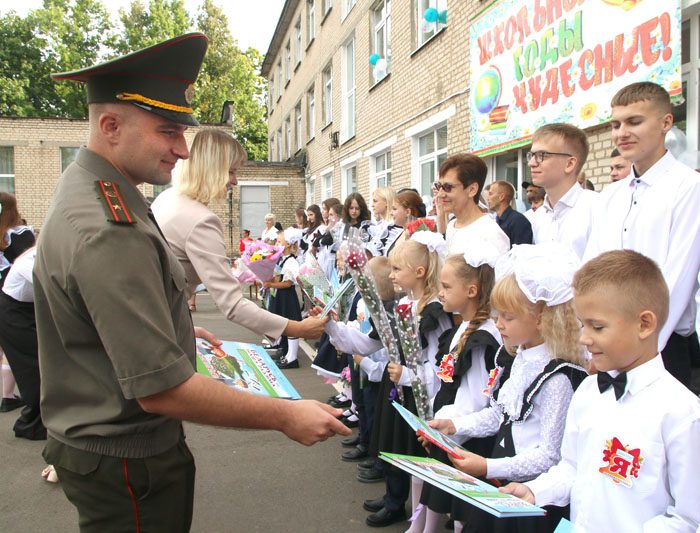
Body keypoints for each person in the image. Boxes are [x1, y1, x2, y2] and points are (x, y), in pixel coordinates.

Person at [34, 34, 350, 532]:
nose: (182, 150)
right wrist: (283, 415)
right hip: (127, 459)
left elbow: (107, 316)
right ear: (110, 126)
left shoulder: (94, 190)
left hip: (102, 446)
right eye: (167, 131)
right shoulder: (107, 227)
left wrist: (176, 327)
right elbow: (161, 391)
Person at [501, 250, 700, 531]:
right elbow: (572, 466)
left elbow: (688, 517)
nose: (584, 338)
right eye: (583, 324)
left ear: (645, 324)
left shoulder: (682, 414)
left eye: (597, 326)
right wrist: (535, 491)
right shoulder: (588, 392)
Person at [429, 243, 587, 533]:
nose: (498, 323)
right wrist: (454, 425)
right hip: (503, 479)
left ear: (541, 318)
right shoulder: (518, 356)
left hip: (531, 495)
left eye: (508, 317)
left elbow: (549, 454)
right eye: (497, 314)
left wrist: (489, 467)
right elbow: (500, 415)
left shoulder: (557, 377)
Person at [151, 128, 328, 346]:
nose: (235, 181)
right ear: (212, 170)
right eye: (231, 172)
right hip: (160, 335)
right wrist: (298, 328)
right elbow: (232, 304)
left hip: (157, 324)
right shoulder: (201, 220)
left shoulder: (168, 198)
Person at [583, 82, 700, 388]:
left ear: (665, 123)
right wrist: (591, 339)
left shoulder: (688, 188)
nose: (622, 132)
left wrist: (640, 351)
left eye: (634, 121)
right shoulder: (610, 196)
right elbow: (591, 270)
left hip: (659, 347)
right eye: (616, 124)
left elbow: (678, 277)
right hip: (607, 345)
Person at [365, 234, 452, 528]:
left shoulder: (434, 313)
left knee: (424, 462)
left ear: (419, 272)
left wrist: (407, 375)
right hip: (404, 391)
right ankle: (417, 521)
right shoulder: (405, 305)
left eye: (397, 269)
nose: (391, 276)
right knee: (411, 463)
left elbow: (440, 367)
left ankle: (427, 525)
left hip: (422, 399)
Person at [414, 244, 503, 533]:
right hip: (452, 432)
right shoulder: (462, 329)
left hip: (467, 440)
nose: (440, 292)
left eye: (446, 286)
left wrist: (448, 429)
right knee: (452, 509)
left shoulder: (482, 338)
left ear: (472, 290)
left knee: (464, 515)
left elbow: (477, 401)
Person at [529, 123, 597, 259]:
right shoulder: (539, 216)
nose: (532, 163)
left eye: (542, 155)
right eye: (531, 155)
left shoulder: (596, 208)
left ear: (570, 164)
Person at [0, 192, 35, 413]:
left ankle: (7, 396)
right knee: (16, 349)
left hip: (6, 292)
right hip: (14, 295)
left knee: (5, 346)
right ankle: (9, 396)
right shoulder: (19, 233)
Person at [434, 154, 509, 256]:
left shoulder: (490, 233)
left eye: (448, 187)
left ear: (472, 190)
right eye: (439, 186)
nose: (440, 194)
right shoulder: (452, 225)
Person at [264, 228, 304, 369]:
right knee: (280, 322)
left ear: (288, 244)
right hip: (279, 295)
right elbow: (277, 276)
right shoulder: (281, 258)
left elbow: (288, 283)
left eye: (279, 241)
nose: (276, 244)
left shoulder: (291, 262)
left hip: (287, 297)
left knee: (290, 324)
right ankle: (284, 350)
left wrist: (270, 284)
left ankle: (292, 357)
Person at [486, 180, 533, 247]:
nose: (487, 198)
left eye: (490, 194)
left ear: (501, 197)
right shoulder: (496, 220)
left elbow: (521, 253)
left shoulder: (518, 221)